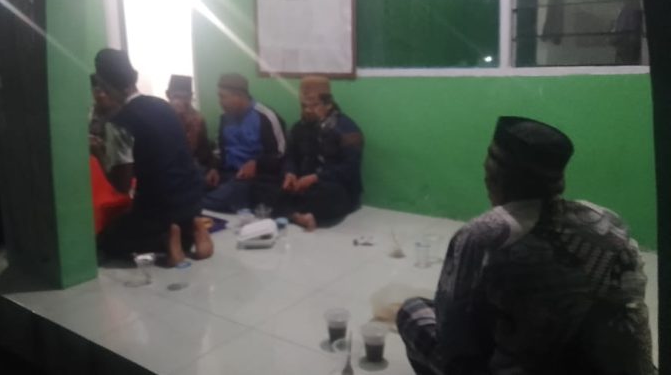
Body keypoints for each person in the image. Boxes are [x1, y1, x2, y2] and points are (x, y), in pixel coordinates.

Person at [396, 116, 656, 375]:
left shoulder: (486, 234)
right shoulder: (605, 220)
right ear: (559, 180)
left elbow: (454, 338)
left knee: (412, 312)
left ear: (492, 175)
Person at [92, 49, 212, 265]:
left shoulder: (119, 122)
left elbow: (122, 185)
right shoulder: (163, 106)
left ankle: (167, 241)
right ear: (134, 77)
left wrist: (99, 153)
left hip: (159, 209)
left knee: (106, 241)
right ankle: (193, 232)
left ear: (104, 85)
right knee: (177, 216)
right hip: (193, 201)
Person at [255, 75, 363, 230]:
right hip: (301, 184)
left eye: (313, 105)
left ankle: (288, 212)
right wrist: (290, 173)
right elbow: (290, 156)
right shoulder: (299, 127)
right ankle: (298, 216)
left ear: (328, 104)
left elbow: (350, 169)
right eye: (303, 106)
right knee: (262, 184)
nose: (307, 110)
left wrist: (315, 178)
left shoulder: (347, 129)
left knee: (330, 194)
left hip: (332, 186)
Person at [202, 73, 286, 212]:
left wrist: (256, 164)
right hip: (227, 174)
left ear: (239, 96)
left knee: (215, 200)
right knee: (194, 182)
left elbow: (280, 154)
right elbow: (219, 151)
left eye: (223, 97)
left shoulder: (265, 116)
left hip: (254, 179)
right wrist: (214, 169)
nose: (220, 102)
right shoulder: (225, 118)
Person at [89, 73, 133, 194]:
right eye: (97, 90)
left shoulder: (124, 117)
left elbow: (123, 183)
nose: (101, 95)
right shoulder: (91, 114)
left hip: (119, 185)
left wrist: (99, 152)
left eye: (105, 90)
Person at [166, 74, 216, 171]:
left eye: (185, 97)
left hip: (193, 167)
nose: (181, 102)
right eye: (176, 97)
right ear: (168, 95)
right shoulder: (161, 117)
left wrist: (212, 168)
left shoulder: (198, 119)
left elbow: (205, 151)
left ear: (191, 96)